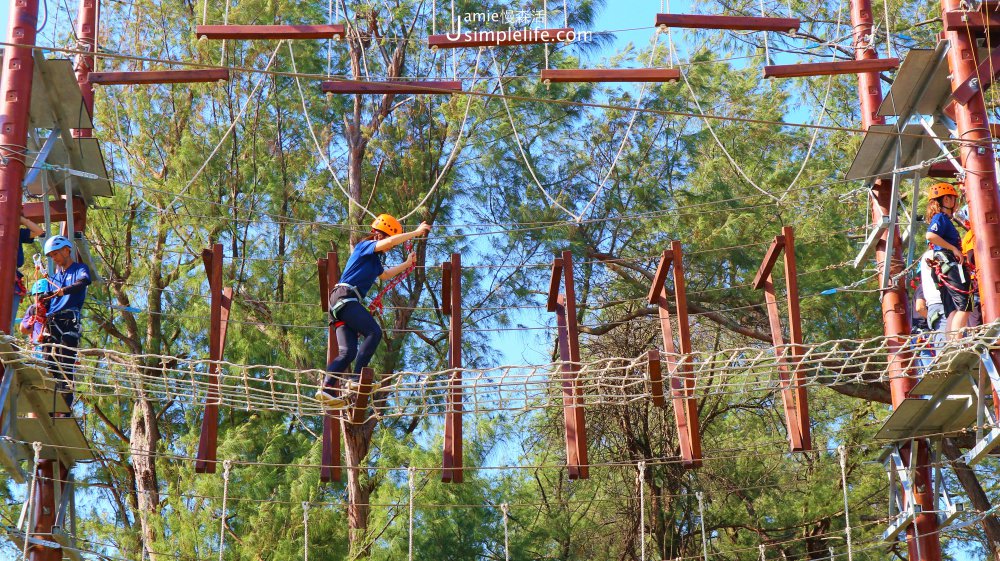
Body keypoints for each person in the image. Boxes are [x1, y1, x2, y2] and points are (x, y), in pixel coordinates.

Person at [315, 214, 431, 409]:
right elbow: (391, 241)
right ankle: (356, 377)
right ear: (379, 235)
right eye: (388, 242)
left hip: (340, 304)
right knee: (374, 332)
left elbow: (384, 275)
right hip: (345, 297)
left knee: (347, 352)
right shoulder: (363, 247)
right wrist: (416, 232)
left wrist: (406, 264)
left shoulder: (374, 260)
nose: (390, 247)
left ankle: (326, 389)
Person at [41, 235, 91, 407]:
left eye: (56, 254)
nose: (54, 258)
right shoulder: (53, 278)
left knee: (65, 363)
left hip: (69, 321)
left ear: (66, 250)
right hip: (52, 321)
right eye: (51, 256)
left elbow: (83, 282)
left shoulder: (78, 269)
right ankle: (54, 403)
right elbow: (47, 300)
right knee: (50, 361)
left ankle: (64, 406)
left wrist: (64, 291)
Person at [924, 182, 971, 337]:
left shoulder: (943, 220)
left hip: (942, 267)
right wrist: (954, 249)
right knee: (965, 304)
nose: (956, 204)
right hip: (950, 265)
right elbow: (930, 235)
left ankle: (950, 344)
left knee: (952, 308)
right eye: (953, 199)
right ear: (946, 201)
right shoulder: (941, 218)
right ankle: (956, 343)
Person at [12, 216, 44, 332]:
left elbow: (39, 231)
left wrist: (22, 220)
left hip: (12, 278)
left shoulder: (15, 232)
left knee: (8, 317)